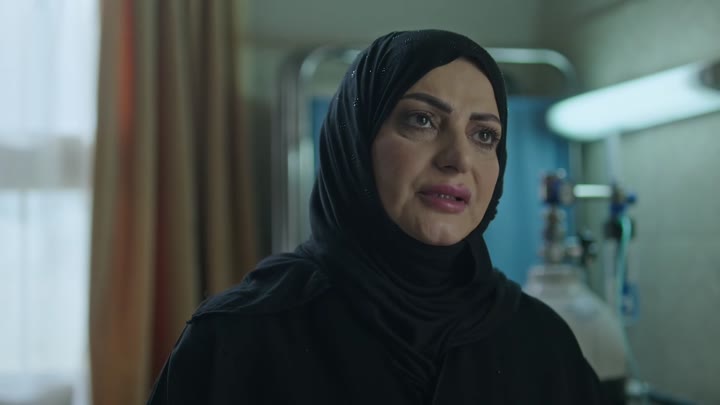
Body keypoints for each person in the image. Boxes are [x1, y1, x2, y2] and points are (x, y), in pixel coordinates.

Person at [147, 29, 606, 404]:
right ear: (355, 144)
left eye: (484, 135)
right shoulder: (239, 338)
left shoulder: (541, 343)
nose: (458, 159)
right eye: (422, 120)